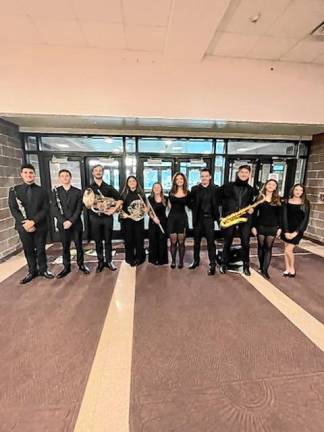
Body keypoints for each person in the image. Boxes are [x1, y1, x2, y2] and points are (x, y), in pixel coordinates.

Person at [8, 164, 54, 284]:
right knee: (28, 250)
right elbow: (13, 209)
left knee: (40, 249)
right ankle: (32, 271)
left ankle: (44, 270)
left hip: (40, 225)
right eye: (26, 173)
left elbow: (45, 208)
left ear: (34, 175)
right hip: (23, 226)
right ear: (21, 174)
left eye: (31, 173)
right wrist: (25, 223)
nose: (29, 175)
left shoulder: (42, 190)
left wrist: (33, 221)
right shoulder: (14, 190)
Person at [219, 165, 258, 276]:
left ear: (249, 175)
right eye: (242, 172)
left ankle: (246, 265)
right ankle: (224, 264)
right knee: (227, 242)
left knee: (245, 243)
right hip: (230, 217)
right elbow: (218, 200)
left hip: (244, 218)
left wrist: (251, 209)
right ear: (238, 173)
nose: (244, 174)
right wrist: (222, 216)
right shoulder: (227, 186)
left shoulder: (251, 189)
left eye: (246, 172)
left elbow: (252, 204)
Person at [51, 169, 90, 278]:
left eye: (67, 176)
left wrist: (71, 221)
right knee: (65, 246)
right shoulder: (55, 191)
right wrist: (63, 221)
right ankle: (66, 267)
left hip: (76, 223)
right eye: (62, 176)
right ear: (59, 178)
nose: (65, 178)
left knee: (79, 245)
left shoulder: (78, 192)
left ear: (70, 177)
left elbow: (79, 208)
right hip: (62, 224)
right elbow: (54, 209)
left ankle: (81, 264)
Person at [87, 164, 122, 273]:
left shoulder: (108, 187)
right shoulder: (89, 188)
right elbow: (85, 203)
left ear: (103, 173)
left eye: (100, 170)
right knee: (97, 241)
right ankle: (100, 262)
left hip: (107, 218)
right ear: (93, 173)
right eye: (96, 170)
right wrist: (92, 204)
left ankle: (109, 261)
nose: (98, 172)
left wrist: (113, 209)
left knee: (108, 241)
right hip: (95, 218)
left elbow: (120, 199)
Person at [188, 168, 220, 275]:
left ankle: (212, 264)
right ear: (200, 177)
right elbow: (189, 202)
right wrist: (193, 207)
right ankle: (196, 261)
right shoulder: (195, 189)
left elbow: (219, 202)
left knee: (211, 243)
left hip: (209, 219)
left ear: (210, 177)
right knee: (196, 242)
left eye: (206, 176)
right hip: (198, 220)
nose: (204, 178)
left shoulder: (216, 189)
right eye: (202, 176)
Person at [251, 179, 282, 279]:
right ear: (266, 185)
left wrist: (280, 228)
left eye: (273, 185)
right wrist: (253, 226)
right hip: (260, 225)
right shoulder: (259, 198)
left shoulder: (278, 199)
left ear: (275, 187)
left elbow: (280, 216)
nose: (271, 186)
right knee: (261, 246)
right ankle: (261, 267)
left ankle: (265, 270)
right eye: (269, 184)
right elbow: (254, 215)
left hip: (272, 227)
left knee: (268, 247)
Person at [281, 183, 310, 277]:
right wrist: (285, 231)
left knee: (288, 250)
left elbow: (305, 220)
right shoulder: (286, 201)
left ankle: (292, 268)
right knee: (286, 249)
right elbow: (284, 217)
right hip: (286, 229)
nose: (298, 192)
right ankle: (287, 269)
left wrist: (296, 232)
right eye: (296, 189)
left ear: (303, 192)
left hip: (297, 230)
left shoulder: (305, 203)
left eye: (301, 190)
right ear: (293, 190)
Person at [120, 176, 147, 266]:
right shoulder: (124, 194)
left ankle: (139, 258)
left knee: (139, 239)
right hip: (128, 221)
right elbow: (120, 208)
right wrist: (124, 214)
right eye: (130, 181)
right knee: (129, 240)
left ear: (136, 182)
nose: (132, 182)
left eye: (133, 181)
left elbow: (145, 207)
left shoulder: (141, 194)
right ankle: (129, 258)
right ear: (127, 183)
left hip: (139, 221)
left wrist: (146, 210)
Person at [167, 172, 189, 269]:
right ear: (174, 181)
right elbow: (169, 206)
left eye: (181, 179)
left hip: (182, 218)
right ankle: (173, 261)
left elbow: (191, 205)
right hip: (172, 218)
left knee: (181, 242)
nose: (179, 180)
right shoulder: (171, 192)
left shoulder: (188, 192)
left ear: (184, 180)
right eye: (177, 179)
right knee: (173, 242)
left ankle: (180, 261)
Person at [147, 182, 168, 265]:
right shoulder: (150, 198)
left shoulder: (166, 198)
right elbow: (148, 211)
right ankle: (154, 259)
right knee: (153, 240)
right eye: (155, 187)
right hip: (153, 221)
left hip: (163, 222)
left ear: (161, 189)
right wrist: (153, 217)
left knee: (162, 240)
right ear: (152, 189)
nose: (156, 188)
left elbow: (169, 209)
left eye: (158, 187)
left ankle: (162, 259)